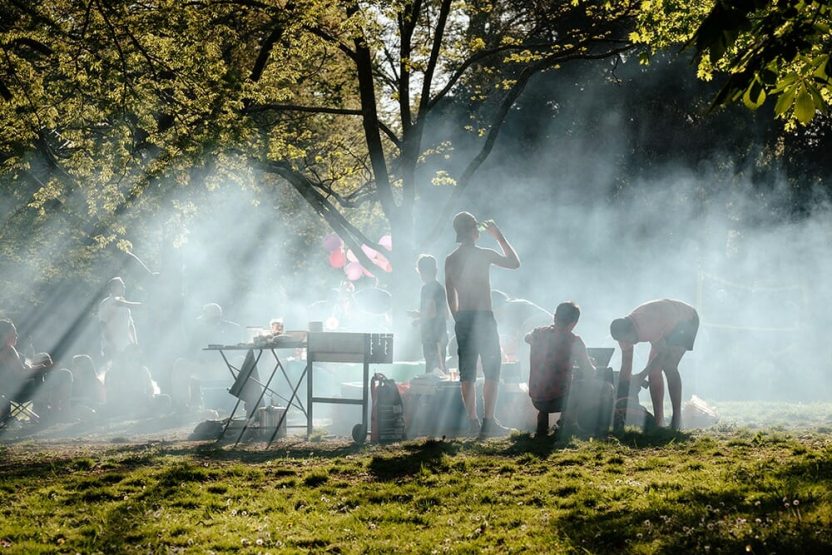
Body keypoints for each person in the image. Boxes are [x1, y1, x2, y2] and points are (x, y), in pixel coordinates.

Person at [445, 212, 520, 438]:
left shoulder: (450, 259)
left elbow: (449, 292)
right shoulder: (483, 254)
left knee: (467, 372)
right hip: (483, 317)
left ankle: (473, 422)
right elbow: (515, 263)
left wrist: (457, 317)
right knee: (492, 369)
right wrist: (499, 236)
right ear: (474, 232)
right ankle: (488, 421)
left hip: (464, 317)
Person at [610, 298, 699, 431]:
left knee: (668, 365)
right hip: (665, 322)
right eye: (623, 341)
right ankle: (659, 421)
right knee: (654, 371)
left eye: (627, 339)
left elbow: (661, 355)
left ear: (631, 331)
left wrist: (640, 377)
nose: (626, 343)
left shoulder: (647, 326)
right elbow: (626, 363)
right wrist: (625, 388)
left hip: (685, 320)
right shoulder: (623, 334)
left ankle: (676, 419)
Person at [525, 302, 596, 437]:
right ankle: (568, 424)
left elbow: (527, 337)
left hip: (536, 399)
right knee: (584, 384)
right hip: (559, 400)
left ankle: (542, 426)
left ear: (555, 316)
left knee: (549, 381)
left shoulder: (538, 333)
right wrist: (592, 366)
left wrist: (531, 339)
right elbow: (588, 371)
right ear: (574, 323)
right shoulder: (574, 341)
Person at [0, 319, 72, 423]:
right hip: (23, 391)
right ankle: (63, 413)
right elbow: (20, 373)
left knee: (55, 374)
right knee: (65, 374)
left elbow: (17, 372)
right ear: (5, 334)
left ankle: (53, 413)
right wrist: (43, 367)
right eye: (13, 331)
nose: (16, 334)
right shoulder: (8, 350)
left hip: (10, 392)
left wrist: (39, 367)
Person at [411, 255, 448, 374]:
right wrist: (419, 315)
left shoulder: (427, 288)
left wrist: (418, 319)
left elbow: (431, 313)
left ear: (421, 271)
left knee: (434, 372)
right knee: (441, 368)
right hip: (441, 334)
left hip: (432, 337)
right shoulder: (440, 288)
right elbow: (444, 313)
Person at [98, 277, 140, 362]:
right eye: (121, 285)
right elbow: (103, 324)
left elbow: (130, 325)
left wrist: (135, 343)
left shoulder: (124, 305)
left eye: (124, 285)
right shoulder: (107, 303)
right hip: (111, 347)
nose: (124, 287)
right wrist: (112, 344)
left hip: (125, 346)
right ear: (113, 288)